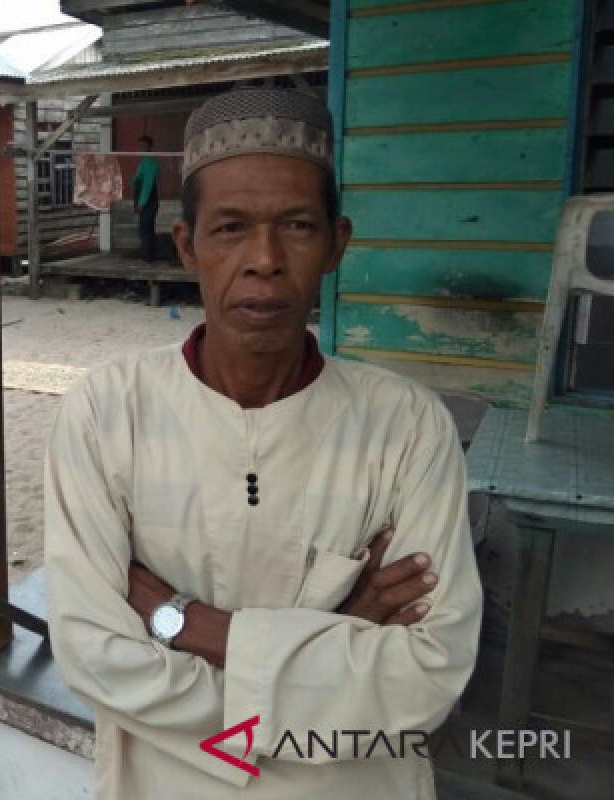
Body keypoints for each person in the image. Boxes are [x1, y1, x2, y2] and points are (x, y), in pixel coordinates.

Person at [44, 87, 483, 799]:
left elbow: (427, 678)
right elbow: (94, 656)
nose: (265, 260)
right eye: (230, 228)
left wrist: (186, 622)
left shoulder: (408, 427)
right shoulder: (106, 412)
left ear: (337, 244)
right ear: (187, 244)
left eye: (298, 227)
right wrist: (339, 634)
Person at [131, 135, 160, 262]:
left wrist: (142, 203)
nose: (140, 148)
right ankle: (149, 255)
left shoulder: (148, 162)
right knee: (146, 229)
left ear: (149, 147)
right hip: (146, 201)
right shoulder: (144, 162)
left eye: (143, 146)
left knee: (145, 230)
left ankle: (148, 257)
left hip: (148, 202)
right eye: (140, 146)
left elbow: (147, 185)